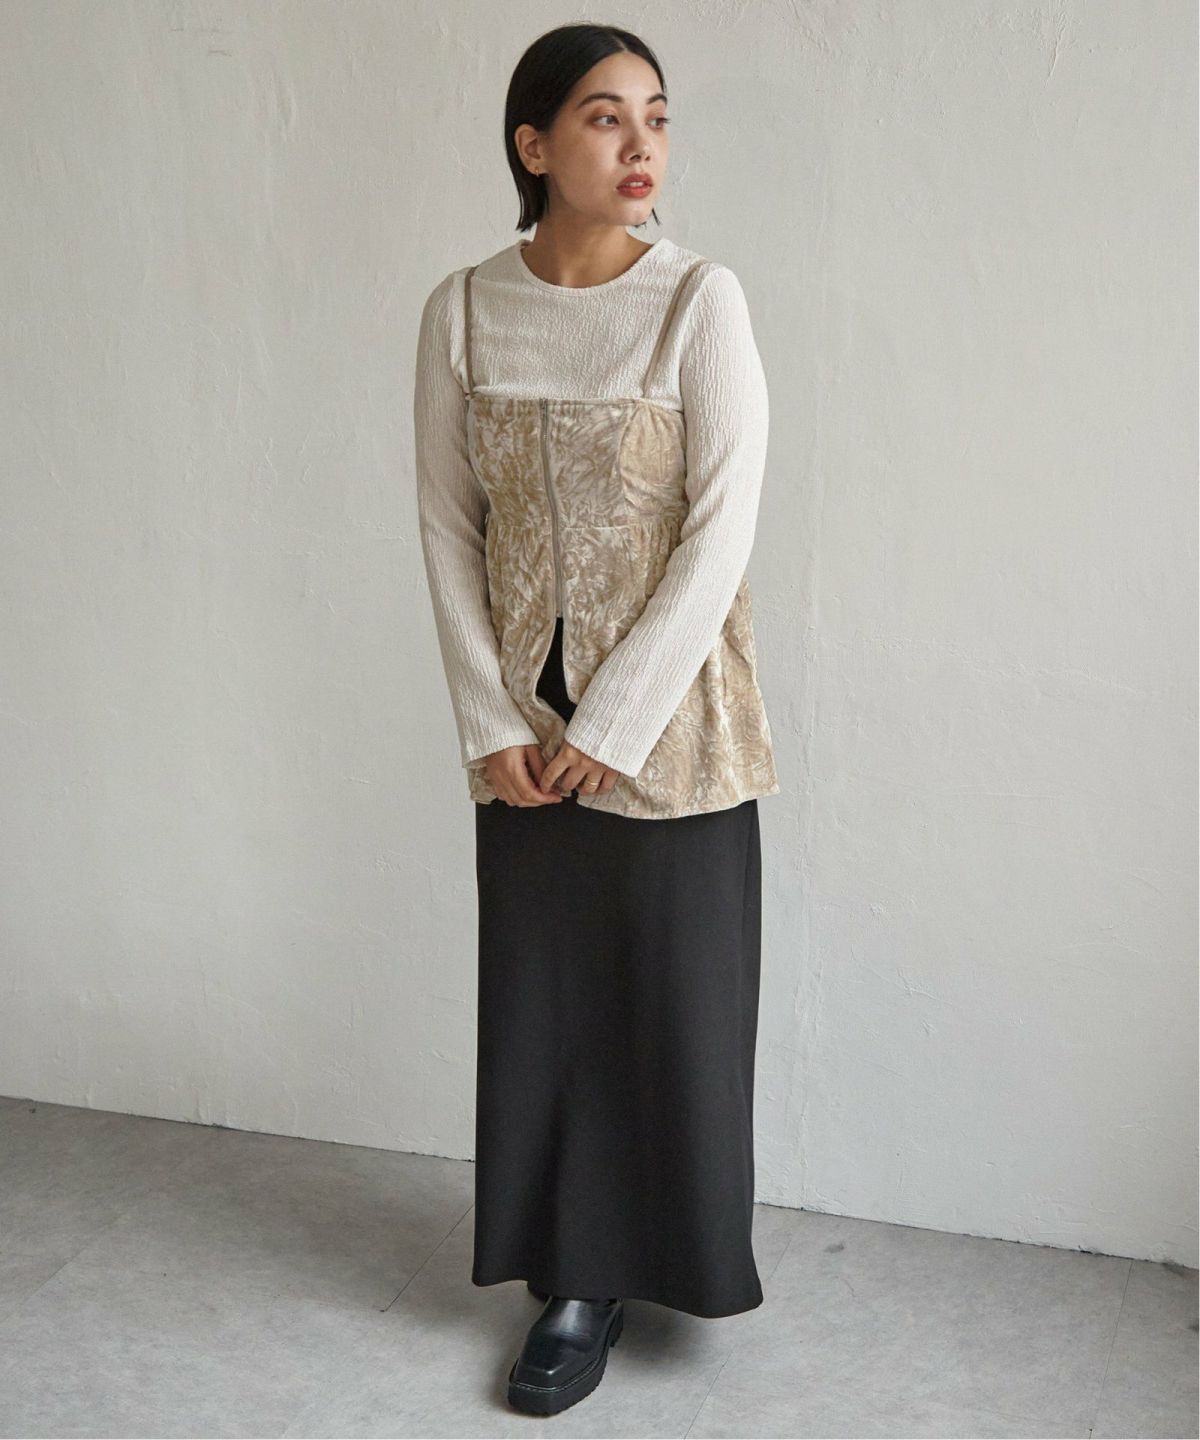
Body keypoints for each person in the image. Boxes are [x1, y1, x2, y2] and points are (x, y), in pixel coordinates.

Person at [412, 21, 780, 1417]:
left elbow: (722, 529)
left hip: (673, 724)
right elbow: (447, 528)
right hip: (523, 731)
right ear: (534, 143)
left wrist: (613, 722)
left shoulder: (700, 303)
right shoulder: (461, 312)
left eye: (658, 118)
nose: (642, 147)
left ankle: (652, 1257)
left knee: (671, 1004)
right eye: (606, 117)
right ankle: (573, 1277)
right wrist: (486, 717)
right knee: (549, 1005)